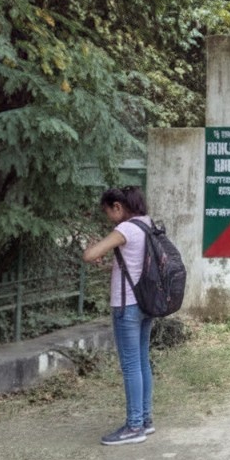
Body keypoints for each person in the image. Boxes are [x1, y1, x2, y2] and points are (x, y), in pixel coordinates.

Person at [82, 186, 156, 446]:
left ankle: (134, 426)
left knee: (131, 365)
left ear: (118, 206)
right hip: (147, 303)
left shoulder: (125, 229)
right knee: (142, 361)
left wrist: (93, 248)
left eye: (108, 212)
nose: (108, 218)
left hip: (127, 306)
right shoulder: (148, 224)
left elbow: (89, 255)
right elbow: (134, 263)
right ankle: (145, 420)